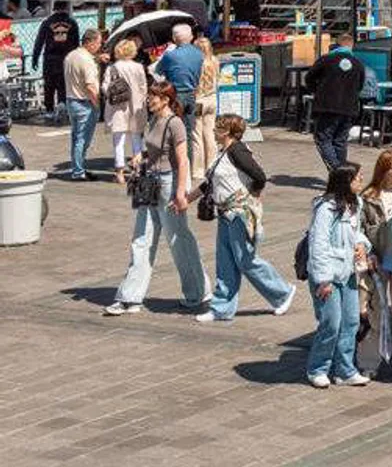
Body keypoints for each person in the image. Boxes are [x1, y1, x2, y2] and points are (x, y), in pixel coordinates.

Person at [104, 81, 209, 316]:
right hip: (149, 184)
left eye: (153, 96)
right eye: (149, 96)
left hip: (169, 184)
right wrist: (140, 156)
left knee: (178, 239)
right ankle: (130, 297)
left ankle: (197, 292)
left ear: (166, 100)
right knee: (141, 239)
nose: (149, 100)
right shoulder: (153, 120)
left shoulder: (176, 124)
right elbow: (152, 147)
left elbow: (182, 161)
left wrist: (181, 193)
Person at [187, 114, 295, 324]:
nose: (214, 130)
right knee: (225, 261)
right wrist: (187, 199)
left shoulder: (237, 150)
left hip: (239, 213)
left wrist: (254, 192)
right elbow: (208, 184)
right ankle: (221, 308)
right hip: (225, 213)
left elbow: (259, 175)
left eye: (218, 127)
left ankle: (282, 292)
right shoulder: (222, 153)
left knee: (246, 259)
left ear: (227, 132)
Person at [306, 162, 371, 388]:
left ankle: (345, 369)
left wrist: (363, 245)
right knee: (331, 323)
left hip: (348, 272)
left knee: (351, 321)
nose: (361, 181)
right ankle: (317, 368)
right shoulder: (326, 208)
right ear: (346, 181)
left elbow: (356, 232)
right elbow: (318, 243)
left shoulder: (356, 204)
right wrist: (323, 279)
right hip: (329, 274)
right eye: (358, 178)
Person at [359, 149, 392, 376]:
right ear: (384, 171)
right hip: (378, 261)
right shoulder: (368, 198)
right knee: (375, 312)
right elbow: (359, 231)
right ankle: (369, 362)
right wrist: (368, 254)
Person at [305, 33, 365, 171]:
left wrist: (317, 92)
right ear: (351, 46)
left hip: (328, 106)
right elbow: (360, 86)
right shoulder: (358, 63)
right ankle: (342, 174)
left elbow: (309, 77)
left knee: (323, 139)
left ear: (337, 44)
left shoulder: (326, 59)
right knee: (340, 141)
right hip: (349, 108)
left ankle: (338, 171)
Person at [102, 38, 148, 185]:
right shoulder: (139, 67)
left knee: (118, 141)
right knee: (136, 139)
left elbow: (105, 88)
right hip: (136, 106)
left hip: (118, 108)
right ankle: (137, 169)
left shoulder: (112, 68)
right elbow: (143, 88)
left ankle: (120, 172)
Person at [154, 23, 203, 155]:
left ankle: (176, 166)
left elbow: (157, 71)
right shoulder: (199, 54)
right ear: (191, 37)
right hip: (192, 94)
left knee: (174, 131)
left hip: (175, 96)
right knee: (188, 132)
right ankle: (188, 165)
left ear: (174, 38)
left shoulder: (170, 56)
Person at [64, 29, 102, 181]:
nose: (99, 46)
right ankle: (78, 171)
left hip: (71, 99)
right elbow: (89, 85)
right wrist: (97, 103)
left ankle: (78, 168)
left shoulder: (71, 55)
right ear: (91, 43)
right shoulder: (86, 60)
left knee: (76, 137)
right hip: (84, 102)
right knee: (82, 139)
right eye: (99, 43)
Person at [32, 1, 80, 122]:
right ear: (65, 8)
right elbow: (76, 43)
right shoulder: (72, 23)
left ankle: (49, 110)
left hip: (50, 59)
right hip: (66, 59)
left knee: (49, 85)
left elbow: (39, 42)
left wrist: (35, 58)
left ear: (54, 8)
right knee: (63, 85)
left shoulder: (47, 22)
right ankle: (62, 106)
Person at [192, 37, 220, 181]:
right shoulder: (215, 61)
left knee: (197, 135)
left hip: (199, 101)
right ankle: (212, 166)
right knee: (210, 134)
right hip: (212, 100)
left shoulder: (196, 63)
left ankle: (197, 170)